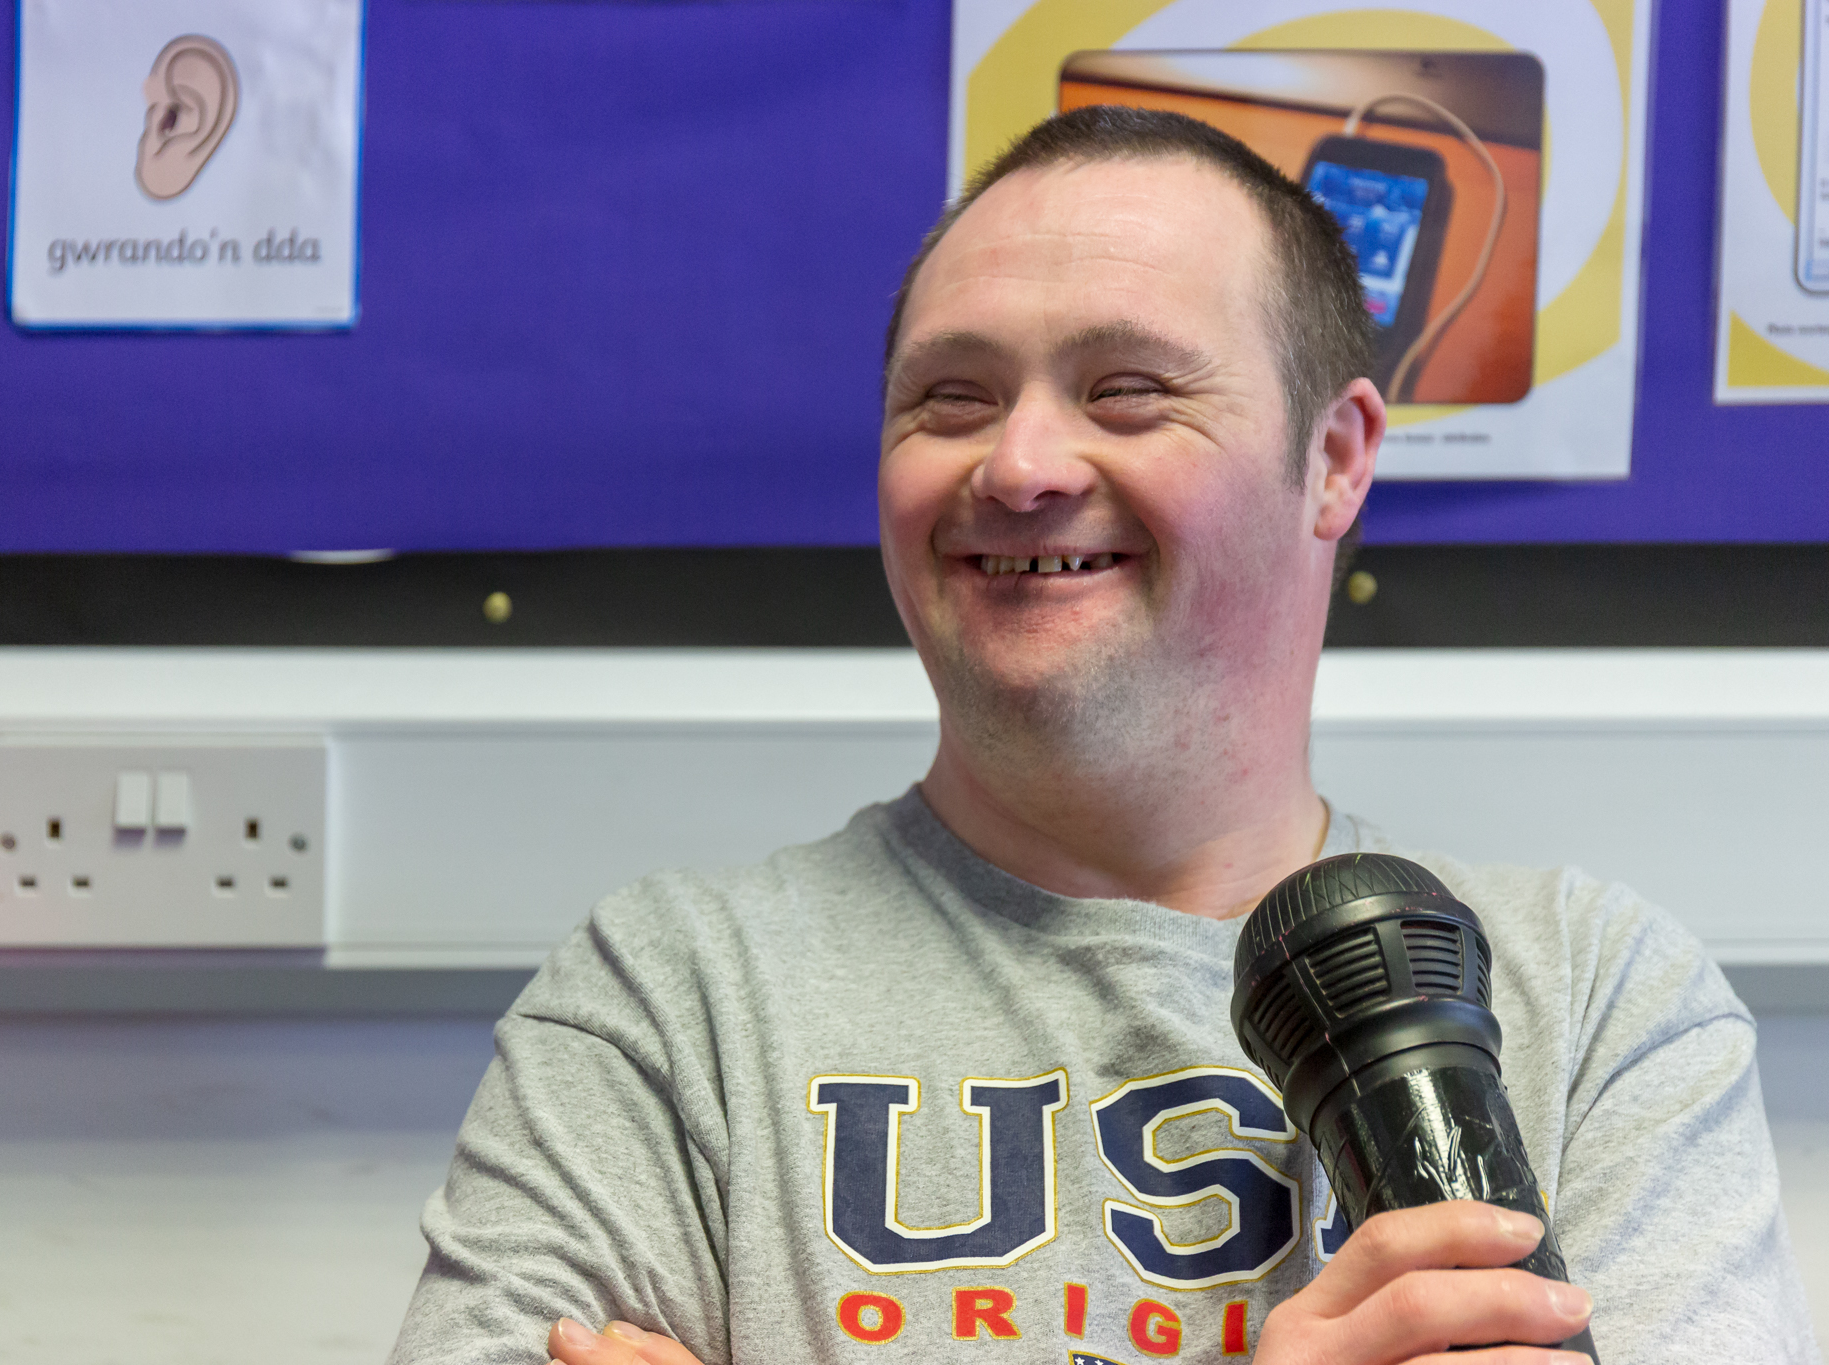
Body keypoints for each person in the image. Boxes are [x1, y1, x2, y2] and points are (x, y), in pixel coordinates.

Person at [389, 107, 1818, 1364]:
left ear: (1332, 459)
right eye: (951, 398)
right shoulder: (664, 1004)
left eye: (1127, 390)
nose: (1017, 465)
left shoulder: (1600, 1011)